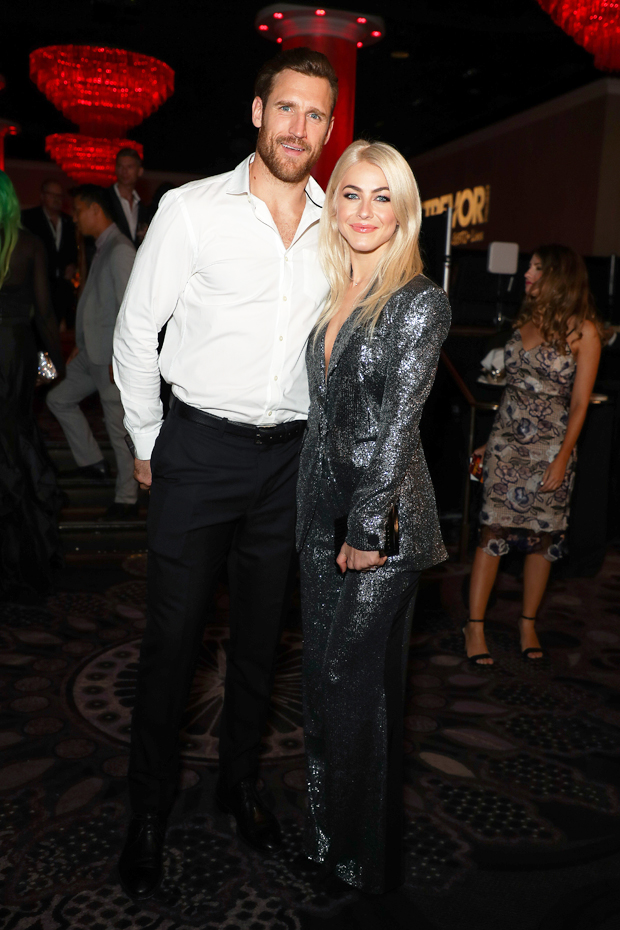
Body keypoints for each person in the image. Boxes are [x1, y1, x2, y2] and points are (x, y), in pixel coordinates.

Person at [112, 47, 337, 900]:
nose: (298, 128)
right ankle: (147, 809)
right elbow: (137, 332)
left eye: (315, 114)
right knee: (172, 642)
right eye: (286, 108)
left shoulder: (339, 223)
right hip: (199, 454)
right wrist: (146, 441)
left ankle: (240, 784)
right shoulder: (192, 209)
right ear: (256, 112)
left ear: (328, 128)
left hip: (290, 462)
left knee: (259, 642)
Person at [296, 140, 451, 894]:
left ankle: (354, 859)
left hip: (382, 529)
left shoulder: (419, 301)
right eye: (351, 194)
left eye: (381, 196)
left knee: (349, 685)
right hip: (320, 517)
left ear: (403, 211)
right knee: (322, 686)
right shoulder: (335, 292)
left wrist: (365, 532)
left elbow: (397, 429)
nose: (364, 211)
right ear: (335, 208)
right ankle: (332, 840)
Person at [464, 245, 603, 666]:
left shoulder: (585, 332)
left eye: (536, 268)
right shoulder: (524, 319)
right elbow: (512, 392)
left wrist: (562, 458)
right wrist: (490, 442)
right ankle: (474, 627)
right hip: (506, 447)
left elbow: (579, 405)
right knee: (491, 534)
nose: (527, 273)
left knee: (543, 540)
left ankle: (527, 624)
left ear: (557, 275)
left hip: (551, 450)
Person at [46, 185, 138, 521]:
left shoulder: (120, 249)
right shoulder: (104, 246)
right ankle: (92, 462)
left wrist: (121, 358)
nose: (74, 218)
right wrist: (81, 343)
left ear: (95, 210)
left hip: (111, 356)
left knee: (118, 428)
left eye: (78, 210)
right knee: (58, 398)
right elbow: (97, 303)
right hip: (92, 351)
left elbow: (130, 310)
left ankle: (127, 498)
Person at [0, 171, 65, 599]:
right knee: (14, 436)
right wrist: (54, 361)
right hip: (14, 350)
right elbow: (44, 311)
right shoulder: (29, 244)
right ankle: (24, 554)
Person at [21, 179, 78, 329]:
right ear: (42, 196)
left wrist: (73, 265)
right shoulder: (29, 218)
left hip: (62, 289)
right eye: (52, 195)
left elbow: (74, 251)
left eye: (59, 196)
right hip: (36, 286)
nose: (56, 199)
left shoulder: (69, 222)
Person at [108, 148, 149, 247]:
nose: (124, 171)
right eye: (120, 166)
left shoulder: (143, 207)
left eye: (129, 167)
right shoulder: (105, 199)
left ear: (140, 171)